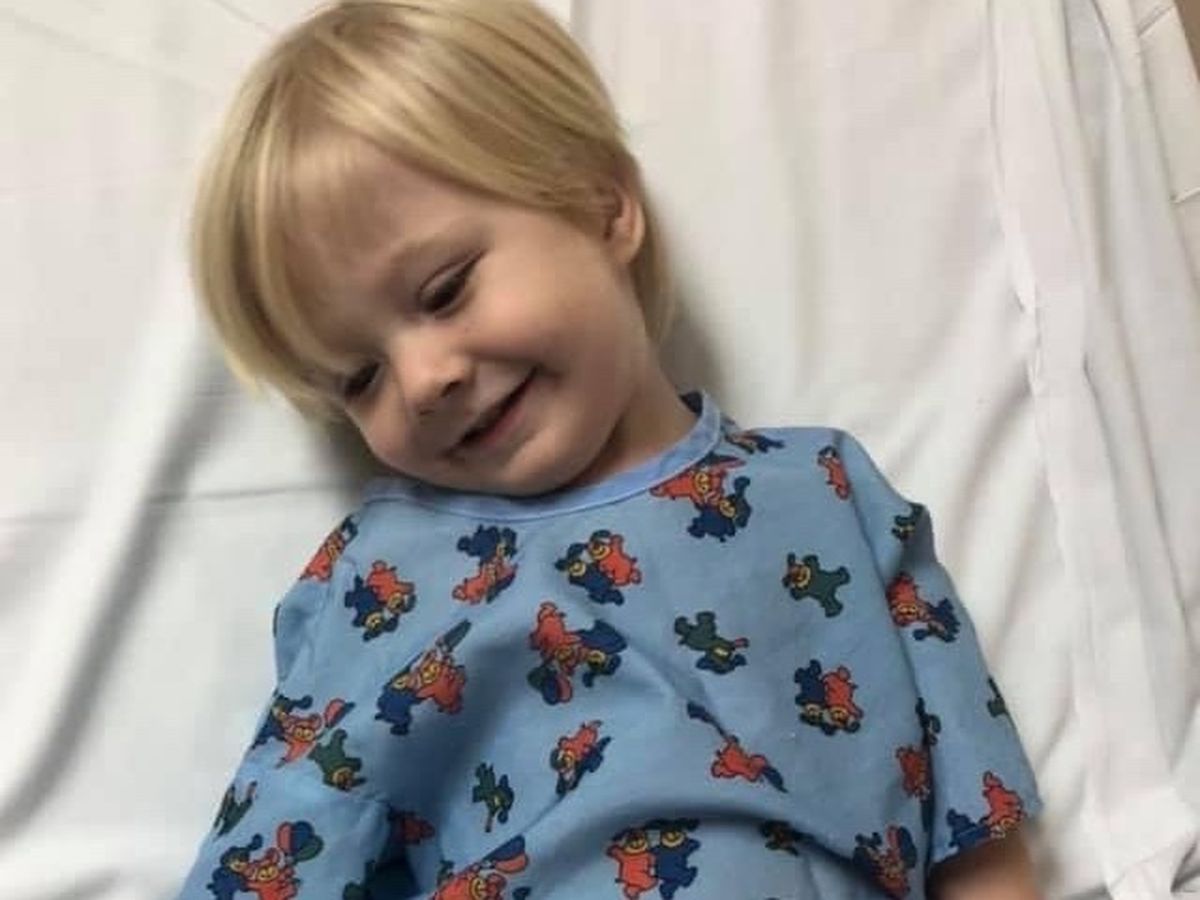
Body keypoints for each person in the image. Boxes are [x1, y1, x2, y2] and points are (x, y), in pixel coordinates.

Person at [178, 1, 1042, 897]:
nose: (423, 378)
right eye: (360, 378)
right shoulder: (381, 581)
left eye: (444, 291)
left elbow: (977, 827)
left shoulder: (826, 493)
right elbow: (284, 840)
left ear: (602, 206)